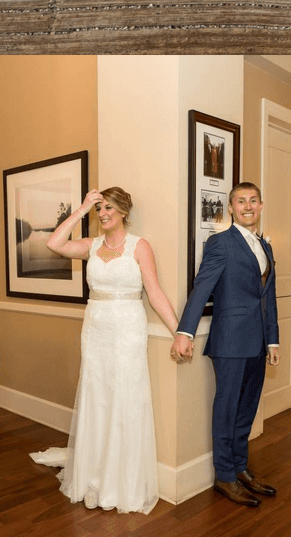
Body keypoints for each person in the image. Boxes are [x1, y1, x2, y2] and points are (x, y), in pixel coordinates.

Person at [31, 187, 182, 514]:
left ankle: (121, 481)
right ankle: (94, 475)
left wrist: (179, 331)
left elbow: (154, 292)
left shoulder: (139, 246)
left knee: (125, 397)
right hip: (95, 328)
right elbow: (53, 243)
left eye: (108, 208)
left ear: (124, 212)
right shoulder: (91, 246)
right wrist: (82, 207)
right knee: (96, 395)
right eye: (99, 209)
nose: (102, 214)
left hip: (128, 327)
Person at [171, 182, 280, 507]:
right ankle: (225, 476)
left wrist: (273, 339)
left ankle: (240, 467)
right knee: (227, 409)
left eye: (253, 200)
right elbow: (202, 287)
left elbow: (268, 298)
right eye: (241, 201)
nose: (248, 206)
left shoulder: (266, 247)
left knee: (247, 409)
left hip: (259, 343)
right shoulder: (220, 243)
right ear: (231, 207)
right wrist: (184, 332)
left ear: (261, 205)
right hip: (230, 341)